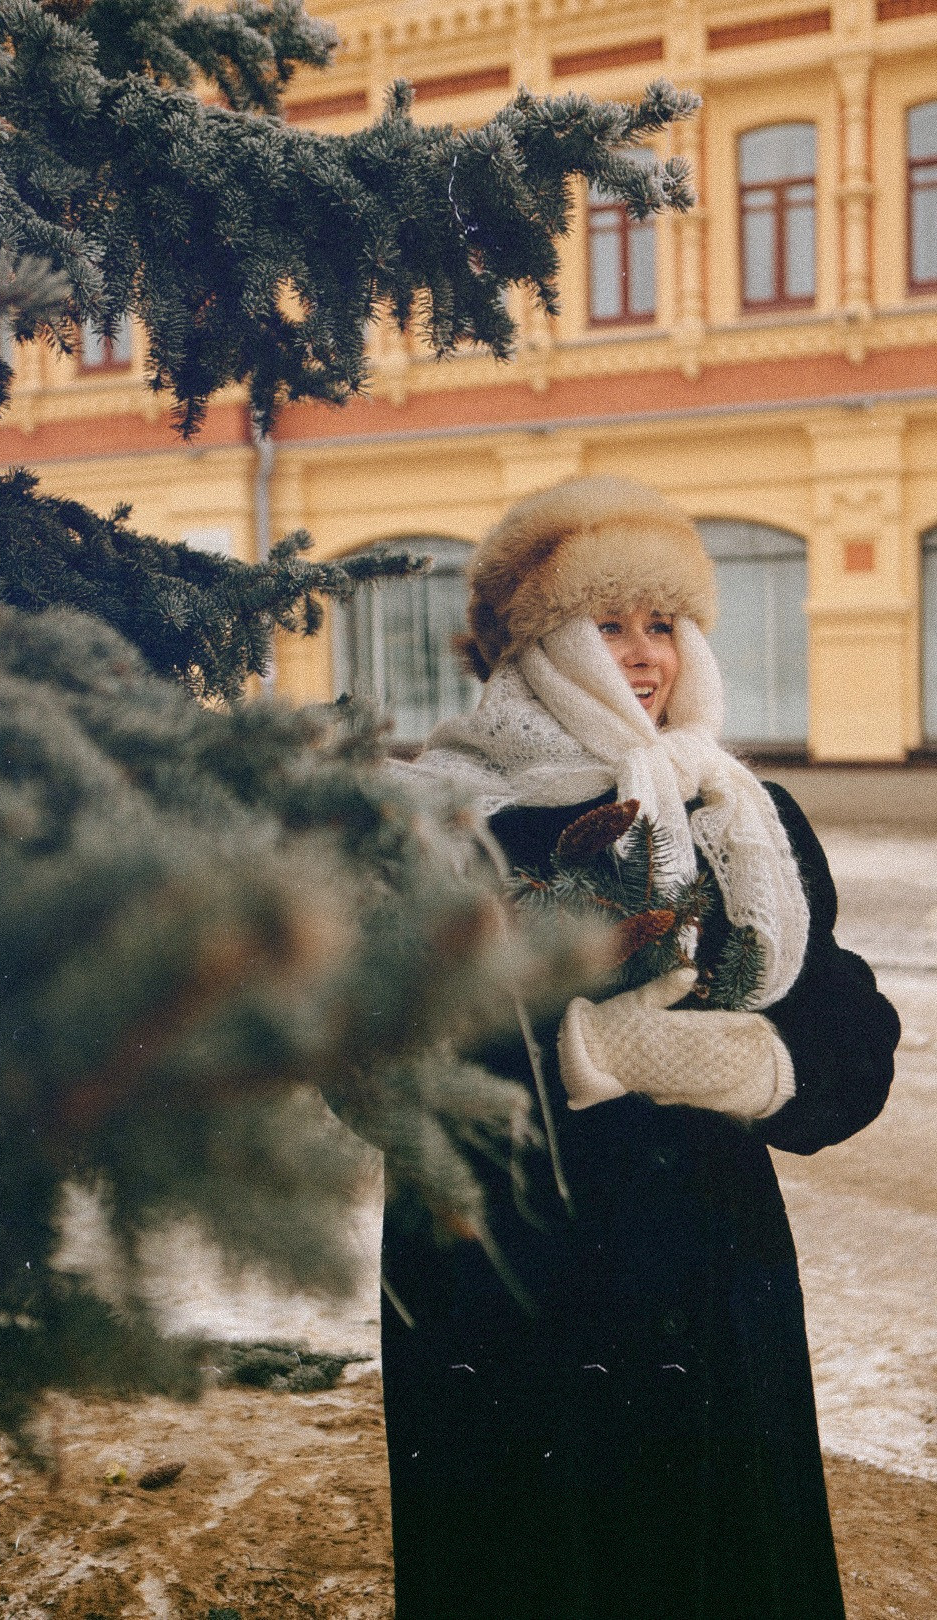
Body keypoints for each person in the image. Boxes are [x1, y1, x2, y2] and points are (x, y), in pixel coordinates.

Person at [382, 475, 900, 1620]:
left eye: (662, 623)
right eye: (606, 624)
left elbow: (853, 1031)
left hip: (709, 1275)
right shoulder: (440, 824)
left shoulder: (740, 813)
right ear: (536, 646)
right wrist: (576, 1051)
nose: (644, 655)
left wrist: (757, 1068)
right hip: (507, 1278)